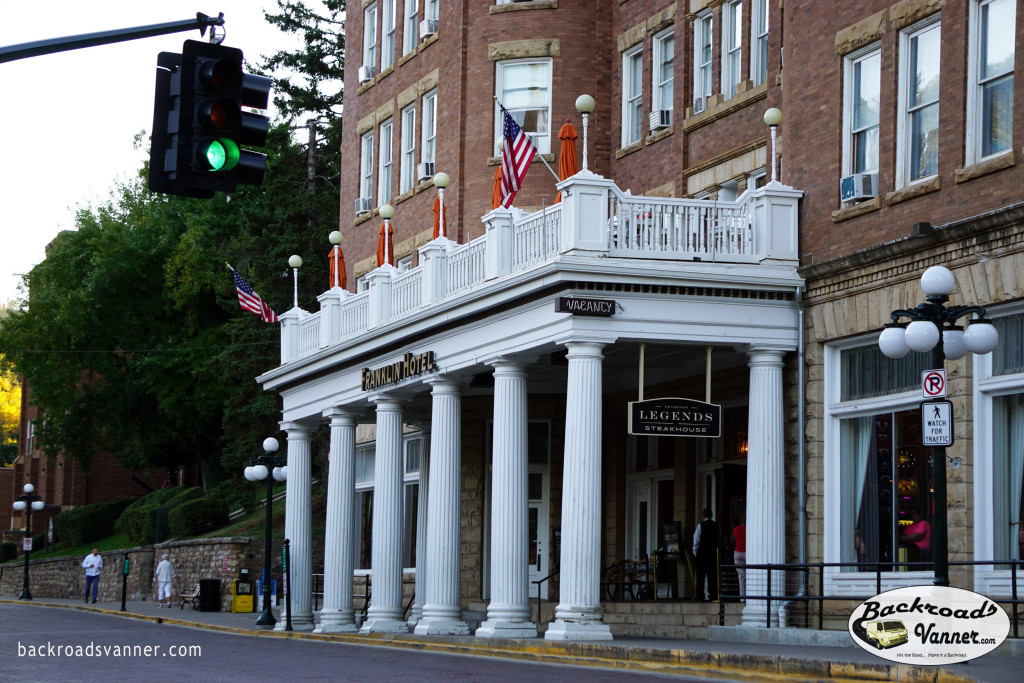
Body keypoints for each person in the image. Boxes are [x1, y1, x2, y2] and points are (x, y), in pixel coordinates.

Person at [692, 508, 720, 601]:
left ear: (704, 516)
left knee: (700, 576)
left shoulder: (701, 525)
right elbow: (718, 538)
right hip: (712, 554)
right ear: (711, 515)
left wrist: (695, 552)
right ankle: (713, 595)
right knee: (712, 576)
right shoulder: (716, 526)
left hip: (702, 553)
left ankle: (700, 595)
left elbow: (696, 539)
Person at [731, 517, 746, 601]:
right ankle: (750, 595)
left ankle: (742, 597)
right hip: (747, 552)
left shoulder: (736, 529)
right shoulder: (749, 528)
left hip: (737, 551)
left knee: (741, 575)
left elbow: (735, 537)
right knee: (750, 573)